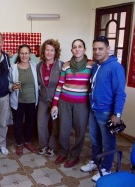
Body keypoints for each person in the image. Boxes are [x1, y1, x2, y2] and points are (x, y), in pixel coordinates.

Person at [80, 36, 126, 182]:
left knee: (108, 142)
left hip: (107, 112)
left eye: (100, 49)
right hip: (94, 110)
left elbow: (120, 93)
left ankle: (106, 168)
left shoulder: (115, 67)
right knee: (94, 139)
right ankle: (95, 162)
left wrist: (117, 114)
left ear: (108, 49)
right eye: (94, 49)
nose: (97, 52)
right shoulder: (96, 66)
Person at [51, 39, 94, 168]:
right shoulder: (66, 65)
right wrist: (54, 104)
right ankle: (63, 153)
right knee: (63, 130)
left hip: (82, 104)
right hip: (65, 103)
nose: (77, 49)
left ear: (85, 49)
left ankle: (75, 156)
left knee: (80, 131)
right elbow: (60, 85)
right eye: (74, 47)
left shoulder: (91, 65)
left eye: (80, 46)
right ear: (71, 50)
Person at [9, 44, 39, 156]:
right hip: (18, 101)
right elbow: (9, 83)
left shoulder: (35, 66)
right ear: (18, 54)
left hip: (32, 101)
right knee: (18, 124)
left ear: (30, 54)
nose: (24, 55)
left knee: (30, 123)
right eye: (22, 53)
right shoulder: (13, 68)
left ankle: (27, 141)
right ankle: (19, 144)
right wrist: (12, 87)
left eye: (26, 53)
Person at [37, 39, 63, 157]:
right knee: (41, 124)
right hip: (43, 100)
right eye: (47, 50)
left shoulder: (60, 65)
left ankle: (52, 147)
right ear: (44, 51)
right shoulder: (39, 66)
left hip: (56, 101)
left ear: (55, 52)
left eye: (52, 50)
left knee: (55, 125)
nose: (49, 52)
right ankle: (44, 145)